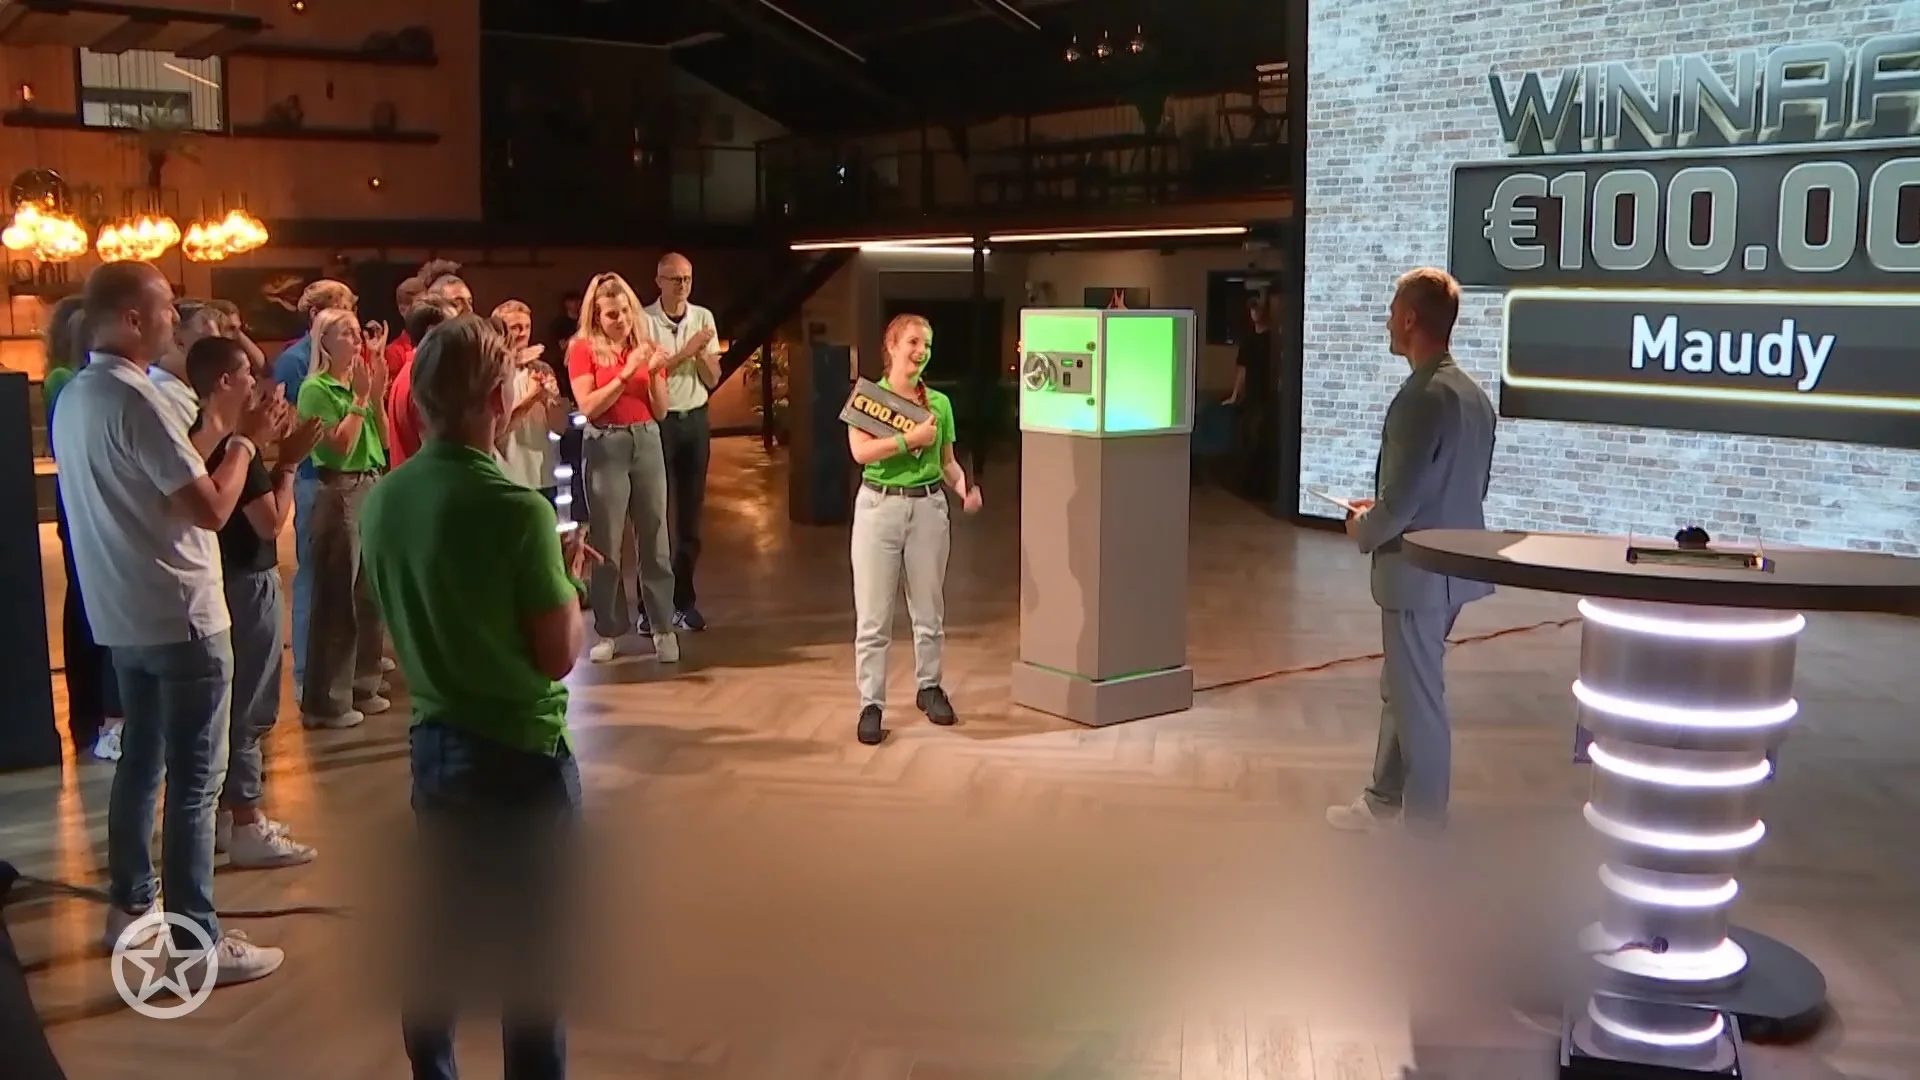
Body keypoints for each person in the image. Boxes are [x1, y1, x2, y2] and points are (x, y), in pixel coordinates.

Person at [359, 313, 598, 1080]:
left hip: (435, 740)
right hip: (521, 752)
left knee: (440, 937)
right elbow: (557, 656)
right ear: (498, 398)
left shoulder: (386, 499)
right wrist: (568, 583)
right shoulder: (517, 509)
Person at [51, 260, 284, 981]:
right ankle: (196, 940)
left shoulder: (78, 396)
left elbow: (160, 486)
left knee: (142, 767)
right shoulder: (140, 400)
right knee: (194, 784)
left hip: (125, 615)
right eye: (162, 308)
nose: (172, 321)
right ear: (131, 319)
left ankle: (130, 905)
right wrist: (243, 441)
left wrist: (222, 434)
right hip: (182, 614)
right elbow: (211, 507)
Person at [1328, 267, 1496, 834]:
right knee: (1405, 688)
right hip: (1452, 572)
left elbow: (1400, 504)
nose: (1386, 323)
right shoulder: (1473, 396)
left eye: (1390, 313)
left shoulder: (1420, 398)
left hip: (1417, 573)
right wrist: (1382, 509)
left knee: (1417, 700)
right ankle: (1382, 799)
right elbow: (1460, 489)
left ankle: (1423, 827)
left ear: (1409, 319)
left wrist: (1364, 526)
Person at [185, 335, 324, 867]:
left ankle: (228, 813)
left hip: (222, 579)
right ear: (224, 381)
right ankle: (246, 819)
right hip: (246, 583)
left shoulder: (198, 437)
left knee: (232, 702)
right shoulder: (232, 446)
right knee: (249, 705)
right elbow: (270, 521)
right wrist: (287, 463)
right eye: (247, 374)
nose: (258, 384)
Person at [845, 313, 981, 746]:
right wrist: (909, 440)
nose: (922, 351)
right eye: (913, 342)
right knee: (873, 616)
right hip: (878, 508)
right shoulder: (869, 398)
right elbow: (861, 452)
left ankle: (929, 686)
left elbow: (946, 461)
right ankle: (871, 703)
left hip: (928, 509)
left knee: (928, 609)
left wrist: (963, 488)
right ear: (892, 346)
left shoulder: (939, 403)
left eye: (927, 344)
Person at [566, 272, 679, 665]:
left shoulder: (644, 346)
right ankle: (609, 630)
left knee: (656, 536)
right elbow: (588, 406)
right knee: (607, 542)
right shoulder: (582, 349)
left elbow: (660, 410)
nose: (622, 320)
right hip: (605, 442)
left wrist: (656, 374)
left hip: (646, 438)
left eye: (626, 311)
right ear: (596, 317)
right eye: (612, 314)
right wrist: (627, 373)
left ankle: (662, 626)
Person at [296, 307, 391, 729]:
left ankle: (363, 683)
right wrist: (359, 401)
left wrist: (375, 395)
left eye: (358, 332)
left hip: (370, 482)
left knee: (369, 593)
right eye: (347, 334)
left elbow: (381, 439)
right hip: (340, 489)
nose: (357, 341)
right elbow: (337, 448)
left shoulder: (356, 384)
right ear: (325, 341)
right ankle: (327, 700)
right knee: (337, 597)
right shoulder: (316, 389)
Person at [42, 296, 124, 761]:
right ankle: (94, 715)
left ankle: (97, 713)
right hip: (78, 495)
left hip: (90, 493)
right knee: (86, 603)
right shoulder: (65, 381)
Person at [273, 279, 358, 693]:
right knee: (313, 577)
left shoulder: (347, 358)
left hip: (343, 477)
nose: (351, 320)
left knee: (342, 581)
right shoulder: (296, 363)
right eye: (342, 310)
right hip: (313, 476)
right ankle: (308, 674)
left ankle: (338, 673)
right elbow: (299, 423)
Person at [642, 252, 720, 631]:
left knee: (690, 515)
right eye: (675, 279)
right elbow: (647, 372)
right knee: (654, 514)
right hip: (659, 421)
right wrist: (685, 352)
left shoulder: (703, 318)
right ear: (659, 281)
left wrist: (701, 353)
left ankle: (684, 600)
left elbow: (713, 377)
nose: (682, 286)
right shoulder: (644, 320)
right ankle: (649, 605)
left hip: (695, 420)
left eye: (687, 278)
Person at [492, 299, 569, 502]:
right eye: (515, 327)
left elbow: (559, 428)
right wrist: (531, 397)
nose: (523, 333)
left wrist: (551, 400)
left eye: (527, 327)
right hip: (506, 476)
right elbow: (496, 429)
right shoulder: (492, 372)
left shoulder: (543, 369)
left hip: (543, 474)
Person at [385, 299, 458, 469]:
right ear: (432, 332)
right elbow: (437, 449)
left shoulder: (410, 372)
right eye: (454, 328)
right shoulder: (424, 379)